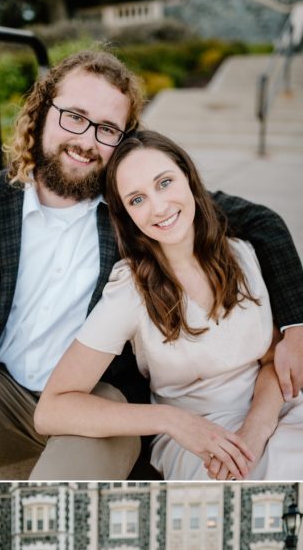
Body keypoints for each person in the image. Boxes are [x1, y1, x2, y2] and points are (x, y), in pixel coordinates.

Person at [0, 48, 303, 480]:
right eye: (74, 116)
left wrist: (296, 323)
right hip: (1, 385)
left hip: (105, 394)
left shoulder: (132, 208)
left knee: (63, 499)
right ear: (42, 110)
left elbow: (261, 222)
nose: (87, 140)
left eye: (107, 129)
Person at [35, 129, 303, 480]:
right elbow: (51, 409)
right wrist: (172, 421)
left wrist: (256, 430)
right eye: (137, 199)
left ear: (189, 179)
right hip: (197, 441)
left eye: (164, 183)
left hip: (274, 410)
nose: (159, 207)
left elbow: (271, 359)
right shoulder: (131, 291)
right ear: (126, 215)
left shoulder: (242, 252)